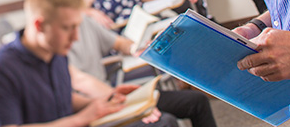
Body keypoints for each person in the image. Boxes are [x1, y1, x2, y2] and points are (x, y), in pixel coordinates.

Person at [0, 0, 177, 127]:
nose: (76, 37)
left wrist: (104, 101)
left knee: (163, 122)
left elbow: (62, 100)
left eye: (77, 27)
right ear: (39, 25)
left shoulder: (56, 53)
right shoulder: (1, 68)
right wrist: (82, 118)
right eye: (67, 28)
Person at [68, 14, 218, 127]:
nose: (75, 36)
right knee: (165, 122)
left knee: (197, 101)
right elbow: (81, 81)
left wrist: (135, 49)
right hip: (96, 107)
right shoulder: (51, 51)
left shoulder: (85, 21)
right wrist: (125, 105)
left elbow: (118, 42)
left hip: (109, 96)